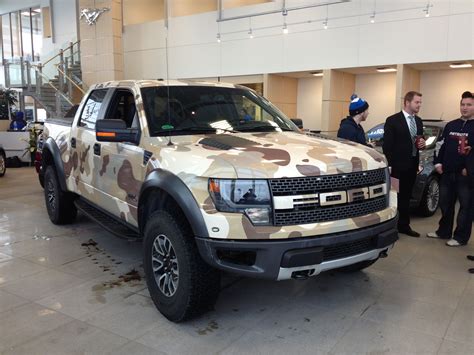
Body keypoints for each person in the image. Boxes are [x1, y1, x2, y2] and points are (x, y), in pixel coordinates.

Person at [427, 91, 474, 246]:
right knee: (445, 204)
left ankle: (460, 237)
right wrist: (438, 163)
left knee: (465, 208)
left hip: (465, 175)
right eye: (462, 104)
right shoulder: (451, 125)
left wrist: (470, 168)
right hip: (447, 172)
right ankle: (443, 232)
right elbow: (440, 145)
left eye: (469, 105)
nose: (465, 107)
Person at [383, 91, 426, 237]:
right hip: (397, 168)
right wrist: (391, 166)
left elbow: (419, 142)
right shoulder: (393, 120)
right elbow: (387, 146)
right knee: (395, 197)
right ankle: (392, 227)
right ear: (407, 102)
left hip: (412, 166)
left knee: (406, 197)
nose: (419, 105)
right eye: (417, 102)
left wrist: (422, 143)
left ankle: (404, 226)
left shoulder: (418, 121)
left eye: (420, 102)